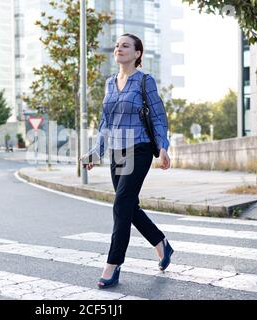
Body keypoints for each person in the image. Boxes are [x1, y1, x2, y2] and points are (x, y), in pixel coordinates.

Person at [80, 34, 173, 289]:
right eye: (117, 45)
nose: (119, 48)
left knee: (121, 204)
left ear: (137, 54)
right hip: (117, 151)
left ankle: (112, 265)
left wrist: (163, 147)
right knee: (129, 207)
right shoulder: (110, 83)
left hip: (140, 148)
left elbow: (158, 117)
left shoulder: (145, 81)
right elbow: (105, 123)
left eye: (126, 46)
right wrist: (96, 152)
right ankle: (161, 244)